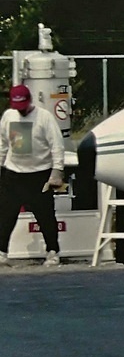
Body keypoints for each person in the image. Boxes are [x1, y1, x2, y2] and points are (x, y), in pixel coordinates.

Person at [0, 84, 66, 266]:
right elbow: (3, 145)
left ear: (29, 101)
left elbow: (57, 146)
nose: (21, 111)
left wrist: (57, 171)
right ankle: (1, 252)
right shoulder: (8, 116)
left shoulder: (44, 118)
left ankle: (52, 251)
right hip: (13, 174)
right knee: (5, 215)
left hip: (39, 175)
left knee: (46, 216)